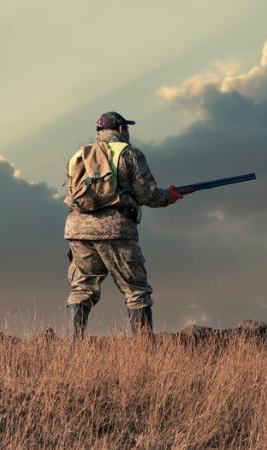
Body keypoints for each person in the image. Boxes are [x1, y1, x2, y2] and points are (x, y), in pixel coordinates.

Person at [63, 111, 182, 339]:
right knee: (136, 290)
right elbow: (147, 194)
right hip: (115, 229)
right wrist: (169, 196)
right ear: (120, 130)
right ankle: (144, 349)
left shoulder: (79, 155)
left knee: (81, 288)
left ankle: (72, 345)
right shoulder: (129, 154)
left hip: (77, 230)